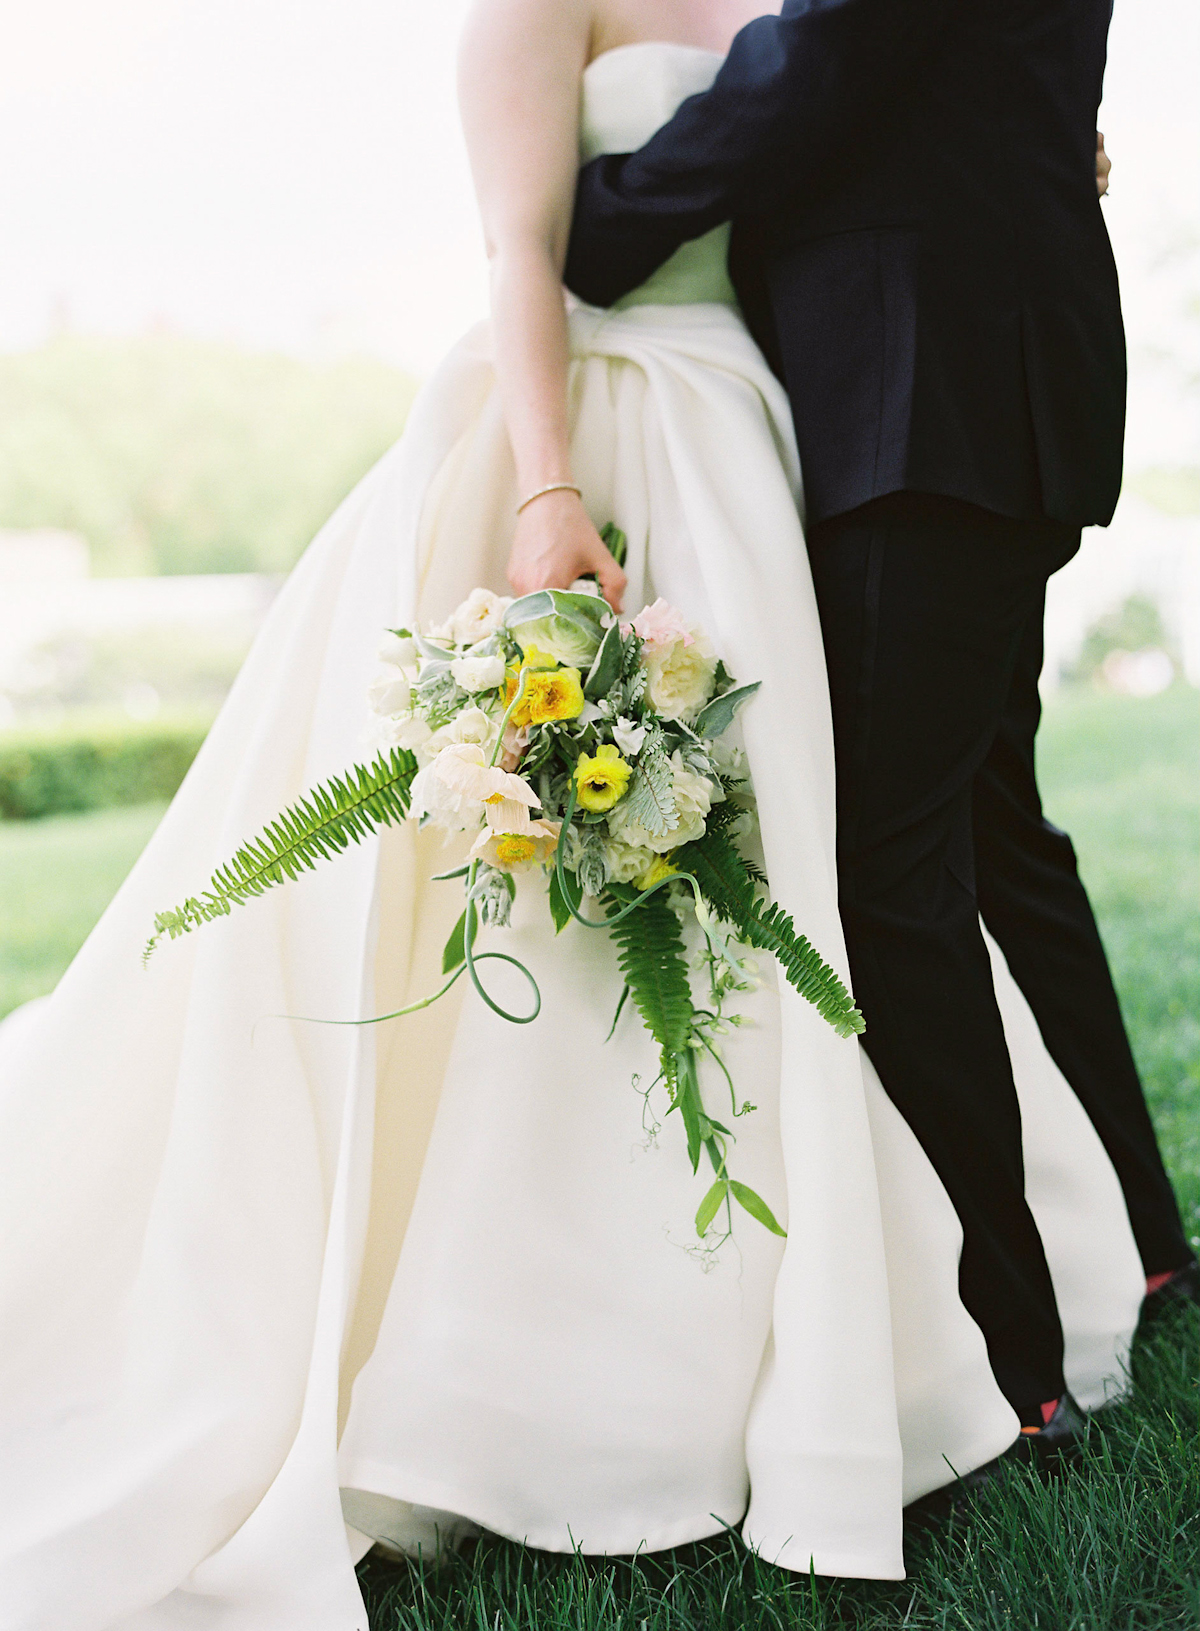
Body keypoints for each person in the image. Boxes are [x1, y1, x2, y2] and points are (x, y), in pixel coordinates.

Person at [0, 3, 1155, 1627]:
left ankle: (834, 1324)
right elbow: (517, 243)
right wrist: (545, 488)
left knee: (800, 868)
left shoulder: (759, 3)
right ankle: (554, 1356)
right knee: (587, 907)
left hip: (760, 443)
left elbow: (848, 109)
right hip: (589, 442)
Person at [563, 0, 1199, 1423]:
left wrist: (596, 219)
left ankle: (1009, 1351)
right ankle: (1142, 1249)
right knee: (990, 833)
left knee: (887, 868)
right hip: (964, 382)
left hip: (922, 392)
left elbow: (826, 63)